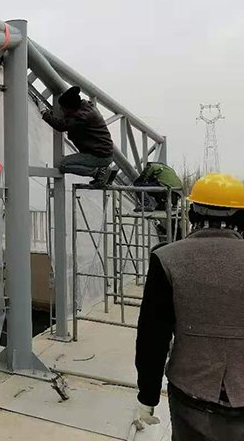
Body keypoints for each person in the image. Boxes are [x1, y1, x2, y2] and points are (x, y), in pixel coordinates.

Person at [134, 173, 244, 439]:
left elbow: (153, 336)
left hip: (191, 394)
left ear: (192, 211)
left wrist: (148, 395)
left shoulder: (166, 258)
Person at [39, 85, 115, 187]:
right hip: (102, 153)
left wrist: (44, 113)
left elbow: (61, 126)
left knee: (63, 165)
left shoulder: (82, 117)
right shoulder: (86, 108)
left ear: (71, 108)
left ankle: (99, 173)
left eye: (63, 108)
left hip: (99, 156)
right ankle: (103, 173)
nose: (61, 110)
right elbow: (69, 120)